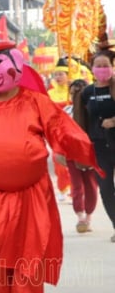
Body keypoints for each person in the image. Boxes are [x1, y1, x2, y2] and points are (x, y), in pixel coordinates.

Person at [0, 39, 101, 293]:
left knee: (29, 258)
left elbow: (59, 128)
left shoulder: (35, 100)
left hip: (33, 195)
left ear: (15, 62)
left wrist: (74, 151)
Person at [73, 50, 115, 242]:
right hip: (99, 148)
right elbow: (80, 120)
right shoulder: (87, 92)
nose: (102, 69)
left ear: (113, 67)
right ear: (92, 68)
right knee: (105, 189)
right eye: (98, 65)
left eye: (106, 65)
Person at [64, 79, 99, 233]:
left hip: (92, 153)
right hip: (72, 153)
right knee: (76, 185)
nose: (75, 96)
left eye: (79, 93)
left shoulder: (94, 110)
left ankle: (89, 216)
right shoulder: (66, 111)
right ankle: (80, 217)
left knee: (91, 185)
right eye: (73, 93)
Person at [48, 58, 73, 202]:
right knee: (57, 159)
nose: (57, 78)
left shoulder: (75, 90)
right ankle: (63, 188)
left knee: (72, 160)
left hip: (71, 130)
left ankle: (75, 188)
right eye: (56, 75)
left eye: (61, 74)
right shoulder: (50, 93)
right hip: (56, 131)